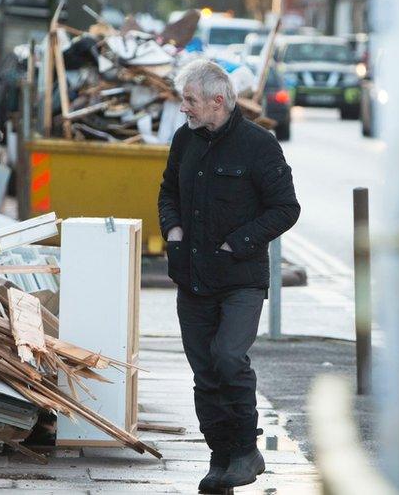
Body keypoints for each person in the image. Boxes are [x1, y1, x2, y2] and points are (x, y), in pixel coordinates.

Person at [157, 59, 300, 492]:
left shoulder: (259, 145)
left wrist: (236, 243)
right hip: (192, 277)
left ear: (218, 100)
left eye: (190, 100)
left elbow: (286, 208)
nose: (184, 109)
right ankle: (220, 459)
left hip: (240, 279)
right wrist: (174, 231)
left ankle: (245, 451)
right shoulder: (185, 140)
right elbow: (167, 191)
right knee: (204, 371)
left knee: (228, 358)